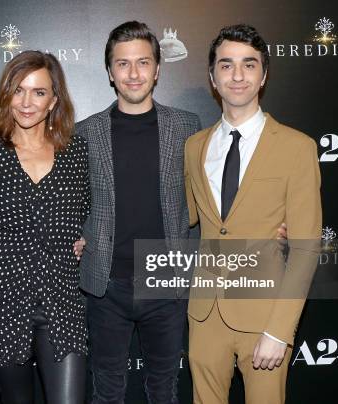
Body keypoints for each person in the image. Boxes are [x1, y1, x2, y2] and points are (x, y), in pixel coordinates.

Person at [184, 24, 322, 403]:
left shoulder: (297, 147)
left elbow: (307, 248)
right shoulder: (194, 147)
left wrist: (280, 331)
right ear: (213, 78)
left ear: (263, 75)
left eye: (249, 64)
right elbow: (194, 218)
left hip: (266, 314)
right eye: (226, 65)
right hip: (205, 314)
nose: (238, 75)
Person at [76, 21, 201, 403]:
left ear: (158, 69)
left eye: (143, 63)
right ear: (110, 72)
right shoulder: (84, 132)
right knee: (107, 391)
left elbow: (207, 199)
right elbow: (70, 199)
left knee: (163, 390)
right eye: (123, 64)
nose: (134, 74)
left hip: (166, 281)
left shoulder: (186, 126)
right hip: (105, 284)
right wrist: (74, 235)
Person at [0, 50, 89, 404]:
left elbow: (87, 210)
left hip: (63, 303)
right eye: (18, 90)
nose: (27, 102)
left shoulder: (75, 152)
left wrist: (81, 236)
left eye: (38, 92)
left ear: (53, 101)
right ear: (7, 94)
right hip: (4, 305)